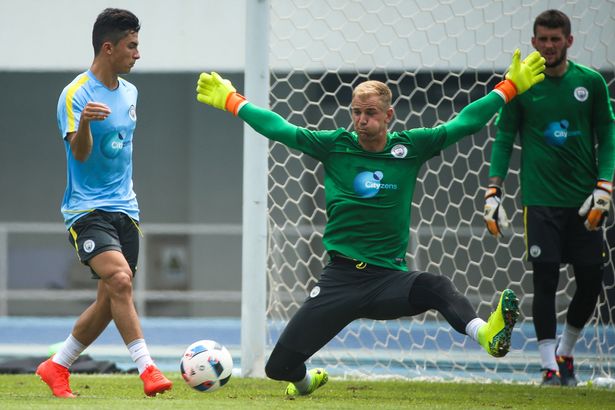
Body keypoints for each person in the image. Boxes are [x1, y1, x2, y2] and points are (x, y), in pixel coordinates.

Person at [196, 49, 544, 396]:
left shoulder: (411, 147)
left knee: (437, 286)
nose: (361, 120)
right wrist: (232, 100)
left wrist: (509, 87)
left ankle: (487, 334)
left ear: (389, 115)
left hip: (387, 281)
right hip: (341, 279)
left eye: (370, 113)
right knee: (278, 368)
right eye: (356, 113)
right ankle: (304, 384)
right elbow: (280, 129)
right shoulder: (335, 146)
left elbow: (465, 122)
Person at [35, 8, 172, 398]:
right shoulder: (75, 94)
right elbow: (79, 155)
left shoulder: (131, 93)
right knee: (120, 280)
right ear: (108, 48)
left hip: (126, 209)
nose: (138, 54)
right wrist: (88, 125)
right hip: (86, 209)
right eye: (132, 46)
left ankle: (56, 366)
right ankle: (148, 370)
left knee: (112, 298)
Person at [483, 9, 615, 386]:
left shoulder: (590, 83)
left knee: (591, 280)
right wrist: (493, 190)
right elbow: (504, 138)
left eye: (556, 39)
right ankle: (548, 367)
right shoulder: (522, 84)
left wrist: (605, 185)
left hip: (585, 201)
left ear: (569, 41)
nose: (549, 45)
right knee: (544, 281)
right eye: (543, 38)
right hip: (539, 202)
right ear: (533, 42)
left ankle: (566, 352)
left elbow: (607, 135)